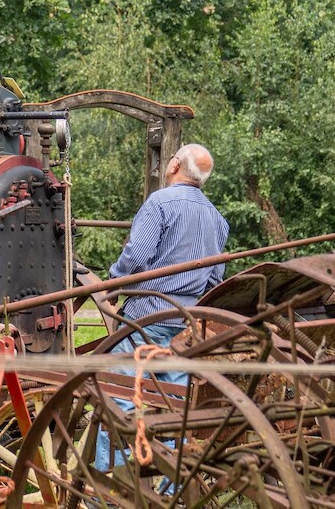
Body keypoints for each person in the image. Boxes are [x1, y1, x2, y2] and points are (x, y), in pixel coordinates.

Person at [96, 143, 229, 476]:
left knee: (119, 400)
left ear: (173, 166)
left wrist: (113, 283)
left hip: (147, 320)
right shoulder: (216, 218)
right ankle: (173, 487)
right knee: (177, 409)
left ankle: (110, 488)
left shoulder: (159, 203)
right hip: (185, 327)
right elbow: (214, 279)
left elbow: (136, 258)